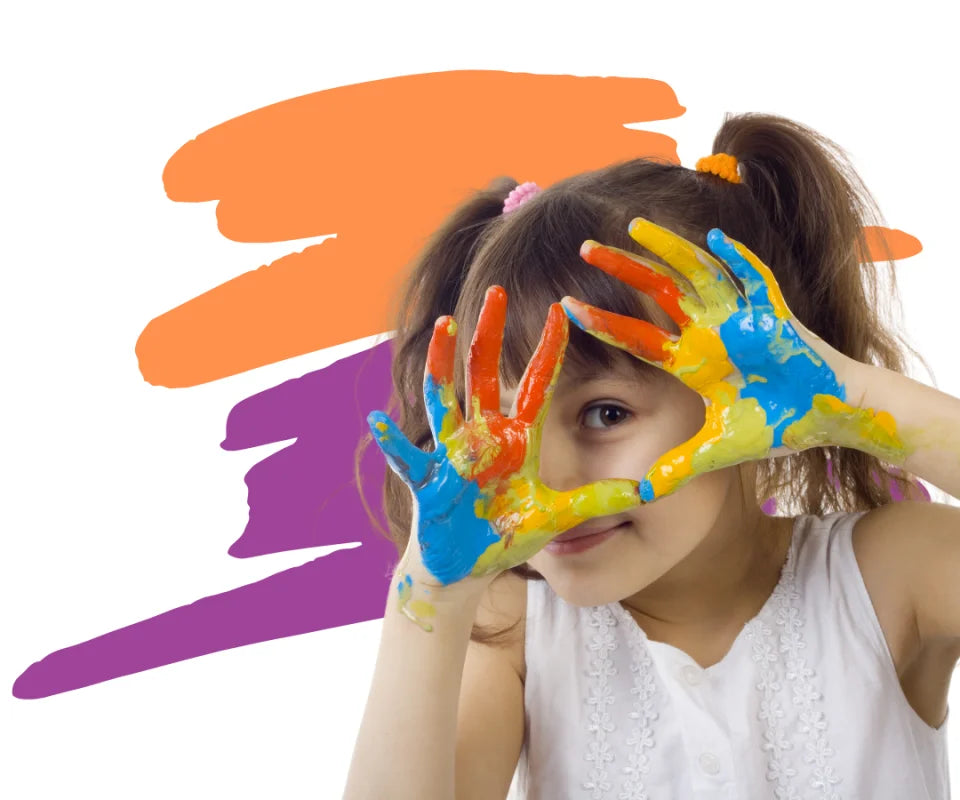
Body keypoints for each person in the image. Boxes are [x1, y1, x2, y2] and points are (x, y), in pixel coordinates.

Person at [343, 113, 960, 799]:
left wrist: (853, 395)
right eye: (509, 428)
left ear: (746, 396)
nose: (547, 476)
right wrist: (429, 592)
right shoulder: (514, 632)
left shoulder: (888, 578)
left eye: (606, 414)